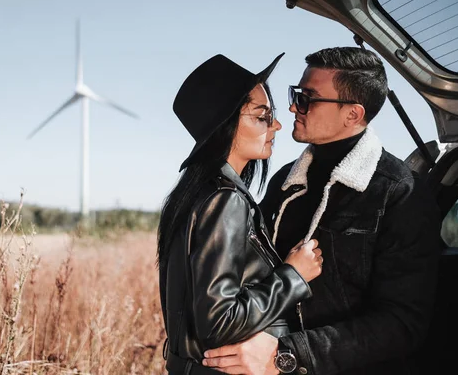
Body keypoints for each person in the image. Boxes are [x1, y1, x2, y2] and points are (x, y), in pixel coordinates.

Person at [201, 46, 442, 375]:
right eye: (295, 93)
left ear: (352, 114)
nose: (292, 107)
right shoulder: (285, 182)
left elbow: (402, 324)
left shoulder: (400, 193)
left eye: (307, 98)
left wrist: (285, 355)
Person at [158, 53, 324, 375]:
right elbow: (220, 321)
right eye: (262, 116)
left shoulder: (195, 193)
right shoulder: (225, 200)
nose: (275, 125)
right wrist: (293, 276)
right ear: (227, 124)